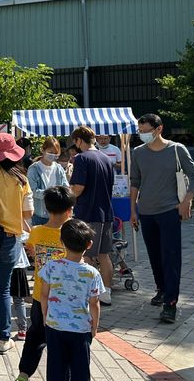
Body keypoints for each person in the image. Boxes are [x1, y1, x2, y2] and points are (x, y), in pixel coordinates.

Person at [130, 114, 194, 323]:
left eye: (145, 131)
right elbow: (135, 181)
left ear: (159, 129)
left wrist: (187, 201)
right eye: (140, 131)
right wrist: (133, 210)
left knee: (171, 258)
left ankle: (170, 303)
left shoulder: (177, 149)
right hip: (146, 212)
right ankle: (161, 289)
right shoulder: (138, 153)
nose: (142, 135)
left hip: (169, 211)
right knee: (154, 255)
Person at [16, 186, 75, 381]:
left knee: (35, 336)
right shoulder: (72, 233)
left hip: (40, 295)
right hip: (66, 298)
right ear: (69, 210)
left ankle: (24, 373)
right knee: (63, 342)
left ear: (47, 209)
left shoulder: (37, 232)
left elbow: (32, 251)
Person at [0, 133, 32, 353]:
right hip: (11, 237)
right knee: (2, 289)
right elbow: (28, 213)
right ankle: (2, 338)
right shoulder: (21, 178)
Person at [40, 219, 104, 381]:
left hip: (55, 326)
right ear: (89, 244)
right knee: (80, 370)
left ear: (61, 241)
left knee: (56, 369)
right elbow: (94, 303)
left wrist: (45, 315)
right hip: (81, 329)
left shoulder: (51, 266)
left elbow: (44, 295)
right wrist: (94, 325)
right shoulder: (92, 273)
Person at [69, 125, 115, 306]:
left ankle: (89, 293)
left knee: (87, 255)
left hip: (87, 213)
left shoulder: (81, 158)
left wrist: (67, 194)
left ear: (79, 140)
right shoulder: (106, 158)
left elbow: (78, 188)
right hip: (106, 213)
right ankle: (107, 293)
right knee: (104, 255)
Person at [27, 137, 69, 226]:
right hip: (40, 215)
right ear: (43, 150)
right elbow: (32, 191)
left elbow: (66, 187)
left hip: (58, 214)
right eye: (50, 152)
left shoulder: (59, 168)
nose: (53, 155)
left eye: (55, 153)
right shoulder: (34, 169)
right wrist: (51, 194)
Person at [11, 230, 31, 341]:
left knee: (2, 299)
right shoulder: (18, 231)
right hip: (17, 267)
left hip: (1, 267)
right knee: (19, 301)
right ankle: (23, 330)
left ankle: (2, 331)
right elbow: (31, 235)